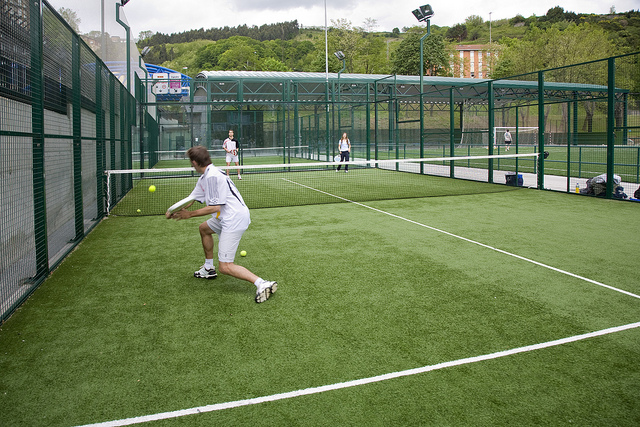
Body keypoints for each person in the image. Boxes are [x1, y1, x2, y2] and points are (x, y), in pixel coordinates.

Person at [166, 146, 277, 303]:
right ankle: (208, 268)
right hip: (225, 217)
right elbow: (192, 198)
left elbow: (214, 207)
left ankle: (262, 283)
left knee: (225, 267)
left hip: (234, 218)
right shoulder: (206, 177)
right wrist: (174, 211)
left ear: (194, 162)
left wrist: (189, 215)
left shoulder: (212, 177)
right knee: (204, 229)